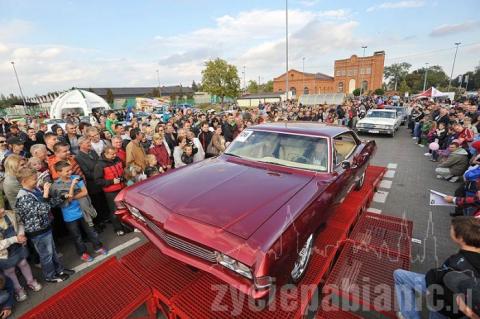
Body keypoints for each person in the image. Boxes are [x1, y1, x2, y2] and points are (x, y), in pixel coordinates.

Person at [393, 217, 480, 319]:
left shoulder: (458, 265)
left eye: (451, 229)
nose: (449, 230)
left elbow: (437, 280)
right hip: (459, 307)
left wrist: (432, 276)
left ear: (460, 238)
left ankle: (410, 316)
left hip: (443, 303)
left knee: (400, 276)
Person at [15, 168, 74, 283]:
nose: (37, 181)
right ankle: (50, 276)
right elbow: (43, 209)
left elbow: (48, 203)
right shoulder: (23, 197)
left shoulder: (33, 190)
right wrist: (46, 193)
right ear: (23, 181)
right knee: (46, 255)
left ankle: (59, 270)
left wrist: (61, 197)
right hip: (38, 232)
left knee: (52, 252)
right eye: (33, 179)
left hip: (45, 227)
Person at [51, 161, 108, 262]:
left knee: (91, 231)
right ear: (58, 172)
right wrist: (72, 186)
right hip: (70, 215)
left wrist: (71, 196)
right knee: (77, 236)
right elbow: (67, 200)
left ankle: (98, 247)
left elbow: (84, 192)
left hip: (84, 211)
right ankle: (82, 253)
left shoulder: (76, 177)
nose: (70, 172)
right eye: (67, 171)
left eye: (70, 170)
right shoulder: (56, 185)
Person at [0, 208, 42, 302]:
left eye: (2, 207)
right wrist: (15, 239)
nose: (2, 210)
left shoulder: (9, 213)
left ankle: (31, 281)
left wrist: (21, 234)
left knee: (23, 263)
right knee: (10, 270)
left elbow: (19, 223)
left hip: (17, 246)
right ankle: (18, 289)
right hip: (3, 253)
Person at [75, 137, 110, 230]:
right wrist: (99, 174)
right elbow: (86, 172)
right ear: (81, 145)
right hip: (92, 184)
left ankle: (106, 218)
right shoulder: (78, 157)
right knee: (96, 203)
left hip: (100, 180)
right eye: (87, 143)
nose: (89, 144)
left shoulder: (93, 152)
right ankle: (99, 222)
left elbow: (100, 163)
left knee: (103, 201)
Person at [93, 146, 126, 236]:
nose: (114, 155)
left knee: (125, 208)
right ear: (106, 154)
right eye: (112, 154)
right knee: (115, 210)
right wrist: (112, 181)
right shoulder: (99, 165)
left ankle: (127, 225)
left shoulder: (117, 159)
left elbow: (123, 169)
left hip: (122, 187)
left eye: (115, 153)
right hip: (111, 192)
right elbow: (98, 181)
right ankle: (118, 228)